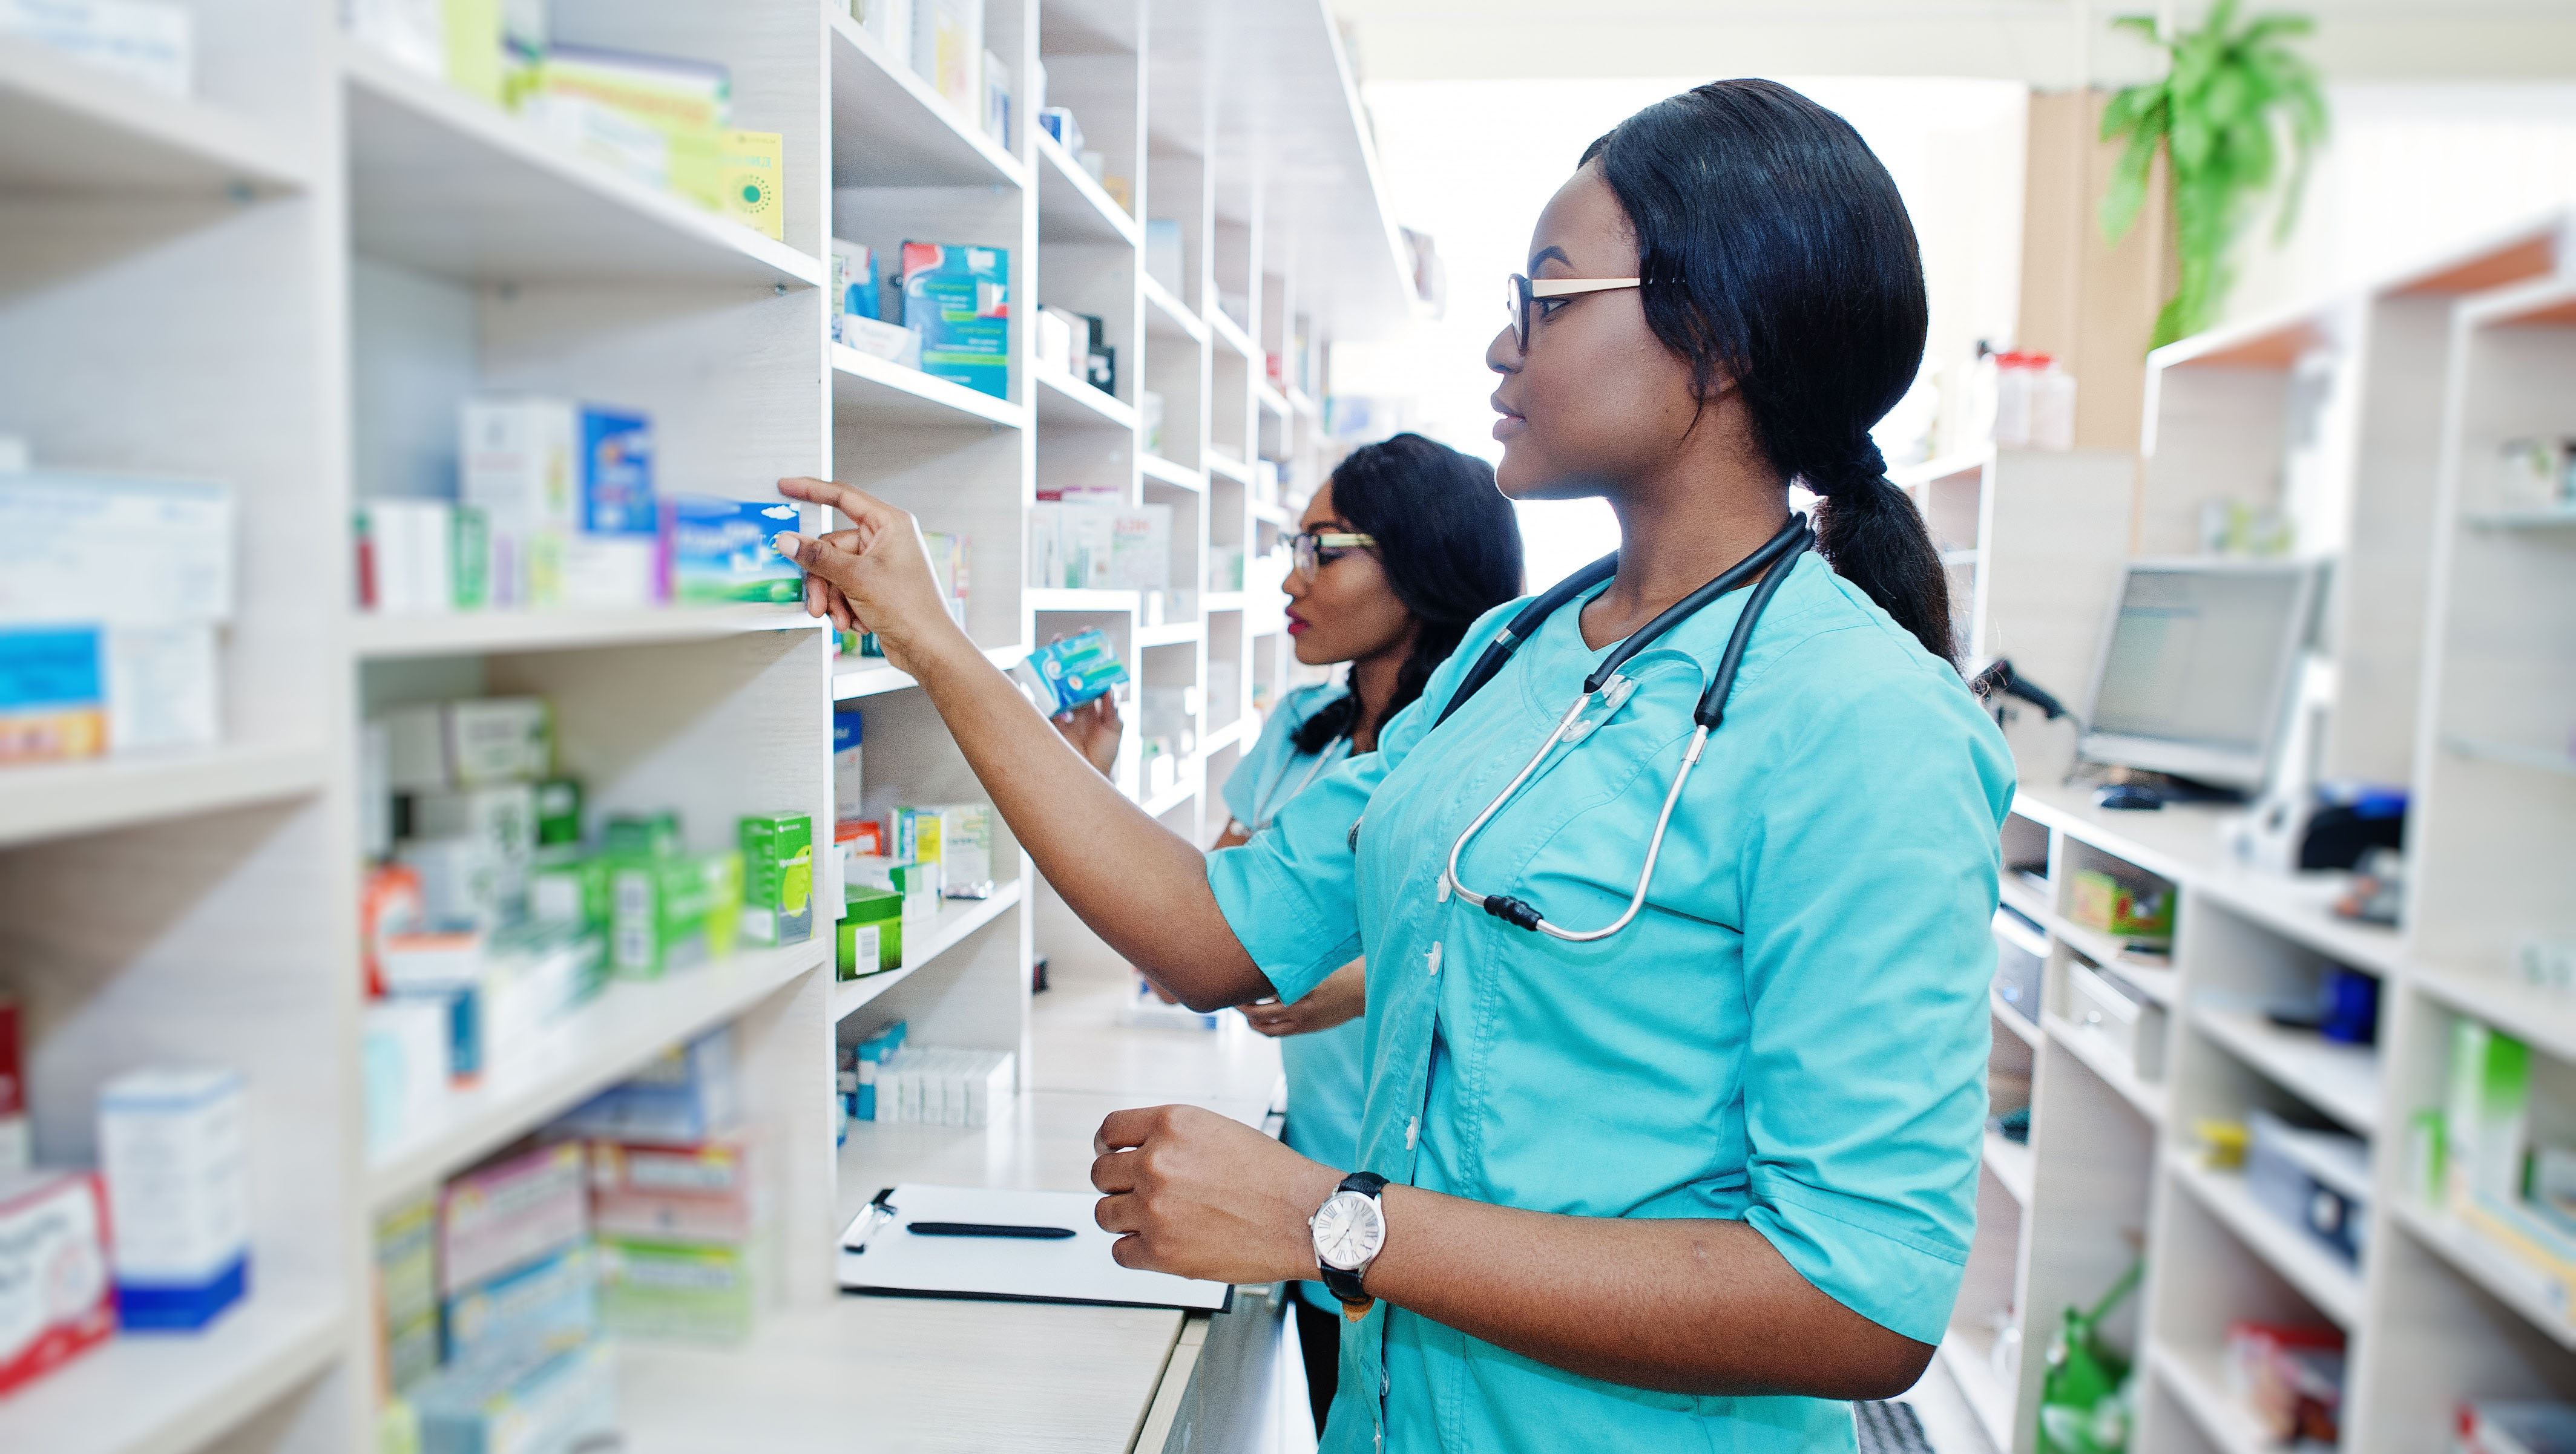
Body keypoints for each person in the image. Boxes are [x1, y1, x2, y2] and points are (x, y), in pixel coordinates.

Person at [777, 77, 2011, 1454]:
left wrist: (1329, 1220)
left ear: (1709, 339)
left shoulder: (1865, 724)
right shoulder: (1505, 659)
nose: (1501, 345)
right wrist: (936, 644)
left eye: (1546, 297)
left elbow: (1859, 1299)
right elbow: (1212, 932)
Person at [1050, 433, 1523, 1435]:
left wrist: (1360, 977)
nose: (1290, 577)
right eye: (1291, 546)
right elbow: (1192, 942)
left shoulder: (1478, 752)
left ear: (1425, 559)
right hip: (1310, 1175)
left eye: (1324, 547)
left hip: (1451, 1204)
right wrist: (1087, 782)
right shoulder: (1299, 730)